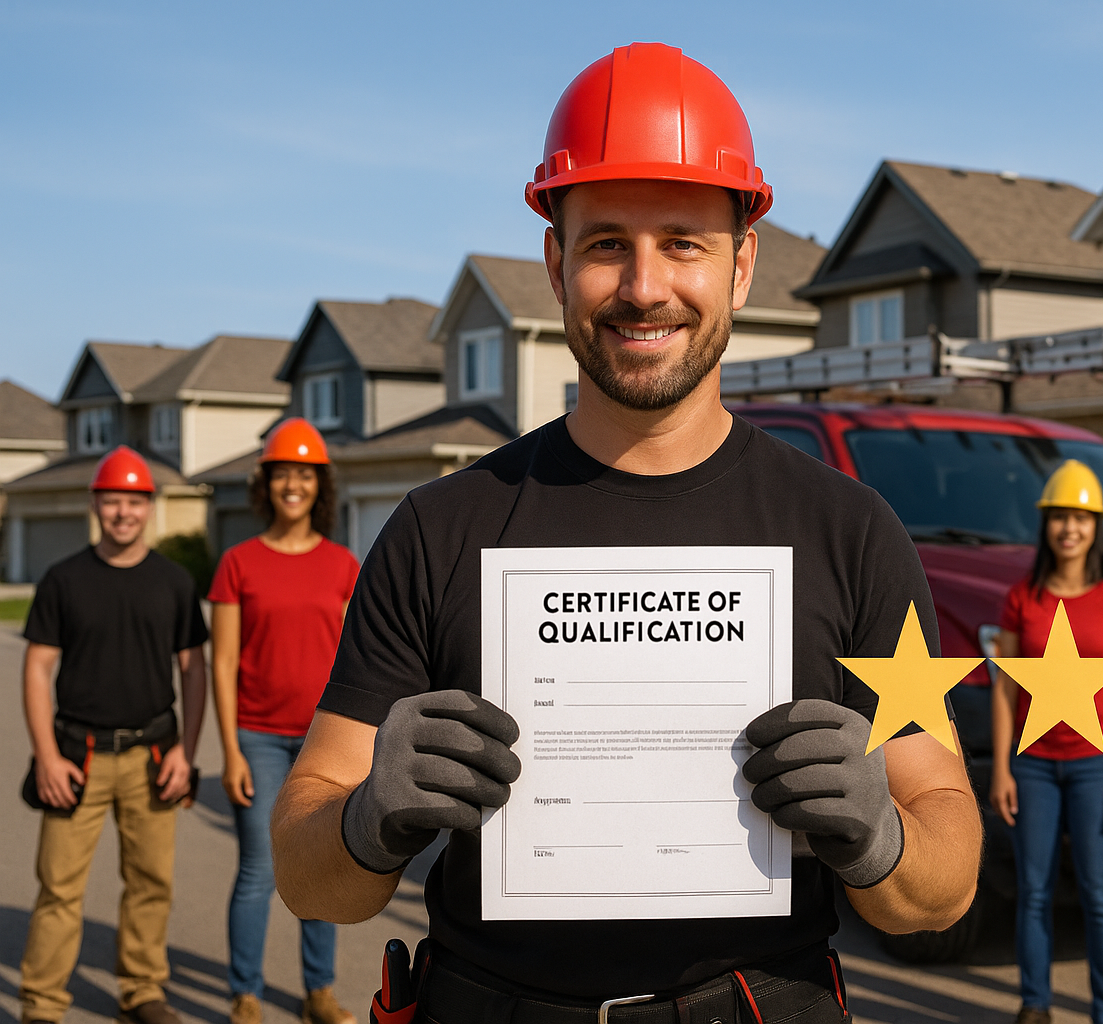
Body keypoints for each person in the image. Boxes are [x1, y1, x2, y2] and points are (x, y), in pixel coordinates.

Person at [270, 42, 982, 1023]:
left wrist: (880, 838)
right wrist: (363, 817)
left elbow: (943, 881)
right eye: (607, 242)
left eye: (684, 241)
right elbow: (314, 882)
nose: (645, 287)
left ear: (742, 266)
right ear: (557, 264)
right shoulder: (443, 529)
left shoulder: (847, 533)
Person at [19, 446, 208, 1024]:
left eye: (133, 501)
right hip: (77, 755)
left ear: (149, 506)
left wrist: (186, 751)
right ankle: (42, 1002)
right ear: (95, 503)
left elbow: (193, 670)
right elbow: (36, 668)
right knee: (58, 888)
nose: (122, 512)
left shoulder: (174, 582)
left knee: (151, 883)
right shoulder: (62, 579)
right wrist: (46, 756)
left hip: (154, 755)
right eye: (112, 500)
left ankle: (142, 991)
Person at [208, 419, 360, 1024]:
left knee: (317, 865)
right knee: (257, 869)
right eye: (281, 475)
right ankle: (244, 991)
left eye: (303, 475)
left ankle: (317, 991)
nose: (291, 485)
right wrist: (230, 752)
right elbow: (222, 663)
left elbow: (358, 662)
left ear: (317, 486)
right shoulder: (237, 564)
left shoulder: (344, 565)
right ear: (265, 484)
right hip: (258, 738)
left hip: (323, 739)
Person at [989, 460, 1103, 1024]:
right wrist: (1003, 768)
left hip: (1097, 766)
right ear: (1046, 526)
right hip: (1033, 766)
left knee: (1101, 896)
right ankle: (1035, 1004)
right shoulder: (1020, 598)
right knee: (1033, 891)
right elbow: (1005, 687)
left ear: (1096, 526)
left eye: (1080, 518)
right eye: (1059, 517)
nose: (1069, 529)